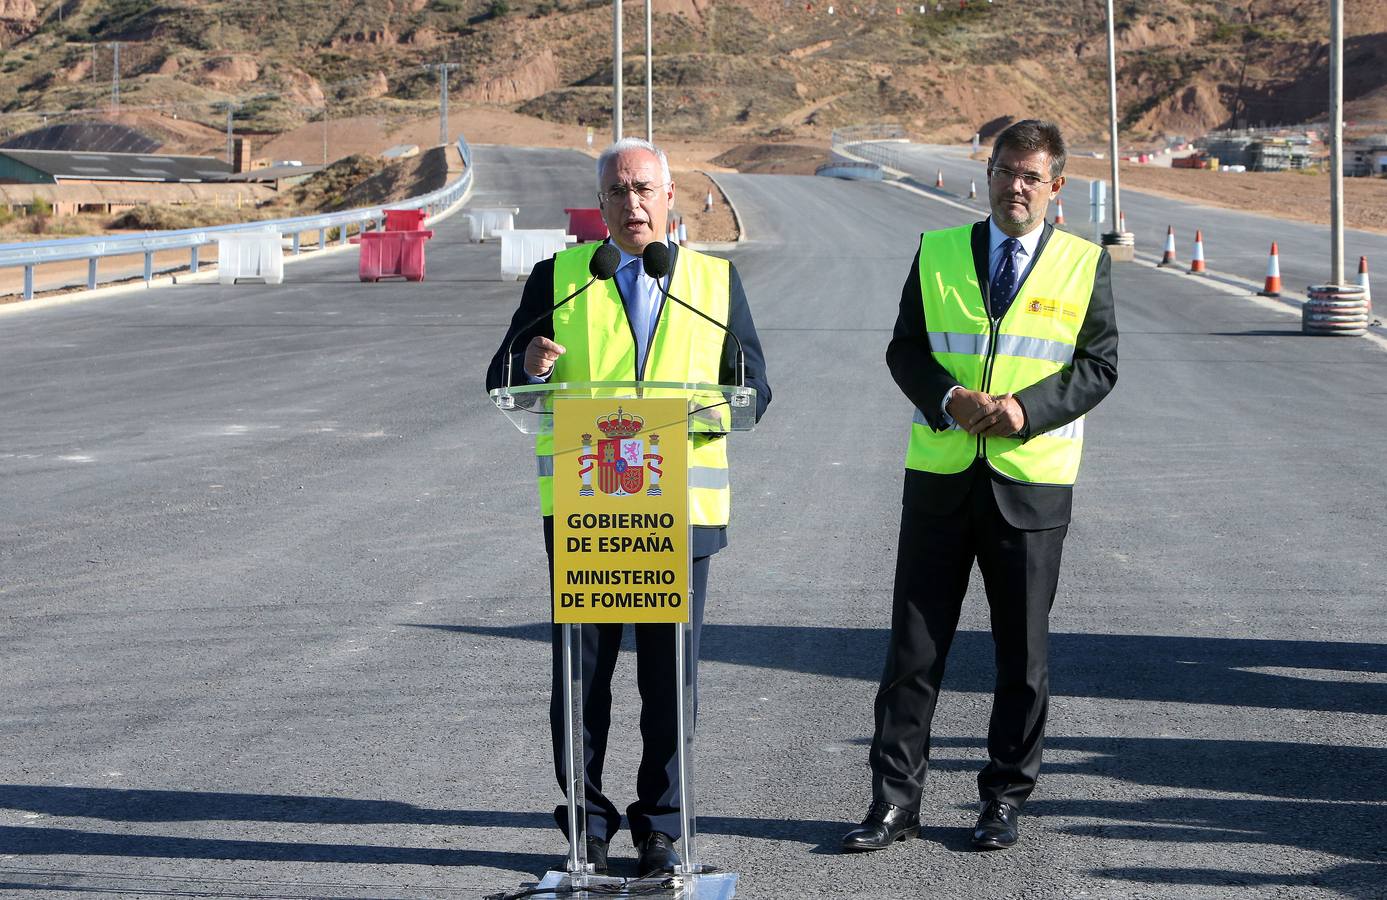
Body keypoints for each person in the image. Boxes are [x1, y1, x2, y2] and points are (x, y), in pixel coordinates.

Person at [485, 137, 770, 876]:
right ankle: (586, 818)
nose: (632, 203)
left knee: (668, 678)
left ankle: (662, 825)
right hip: (591, 511)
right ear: (600, 204)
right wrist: (527, 363)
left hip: (679, 508)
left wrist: (707, 406)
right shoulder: (562, 278)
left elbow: (754, 388)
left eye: (644, 189)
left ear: (670, 196)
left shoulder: (711, 282)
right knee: (583, 675)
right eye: (617, 192)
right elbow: (502, 374)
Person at [841, 119, 1118, 853]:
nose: (1014, 186)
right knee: (912, 652)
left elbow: (1097, 366)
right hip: (940, 477)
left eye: (1030, 175)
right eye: (1003, 170)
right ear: (985, 174)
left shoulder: (1083, 264)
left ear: (1056, 186)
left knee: (1020, 658)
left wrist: (1024, 411)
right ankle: (893, 803)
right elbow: (905, 348)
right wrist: (946, 398)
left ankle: (1002, 799)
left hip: (1029, 486)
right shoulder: (936, 252)